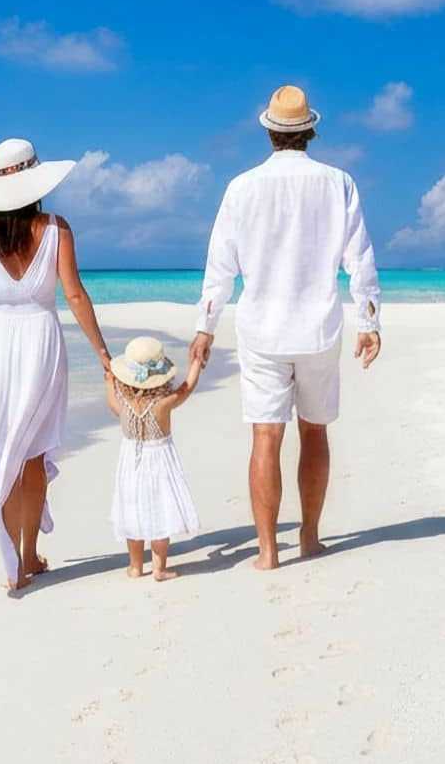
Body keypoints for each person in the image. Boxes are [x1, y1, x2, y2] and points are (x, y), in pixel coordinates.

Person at [187, 85, 383, 571]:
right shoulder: (338, 182)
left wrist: (205, 327)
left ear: (270, 131)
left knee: (265, 437)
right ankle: (310, 537)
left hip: (262, 332)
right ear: (309, 130)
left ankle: (269, 551)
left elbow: (221, 267)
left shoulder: (241, 187)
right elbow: (358, 257)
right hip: (318, 327)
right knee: (314, 433)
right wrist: (369, 319)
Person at [0, 138, 114, 592]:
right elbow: (74, 294)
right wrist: (103, 354)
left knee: (4, 450)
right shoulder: (56, 228)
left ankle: (14, 556)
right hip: (41, 342)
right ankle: (29, 555)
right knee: (30, 450)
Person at [104, 336, 205, 581]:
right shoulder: (164, 403)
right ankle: (159, 568)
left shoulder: (125, 404)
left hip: (131, 462)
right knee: (160, 510)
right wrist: (196, 363)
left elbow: (112, 403)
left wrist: (109, 382)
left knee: (133, 511)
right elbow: (186, 388)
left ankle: (136, 566)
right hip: (159, 460)